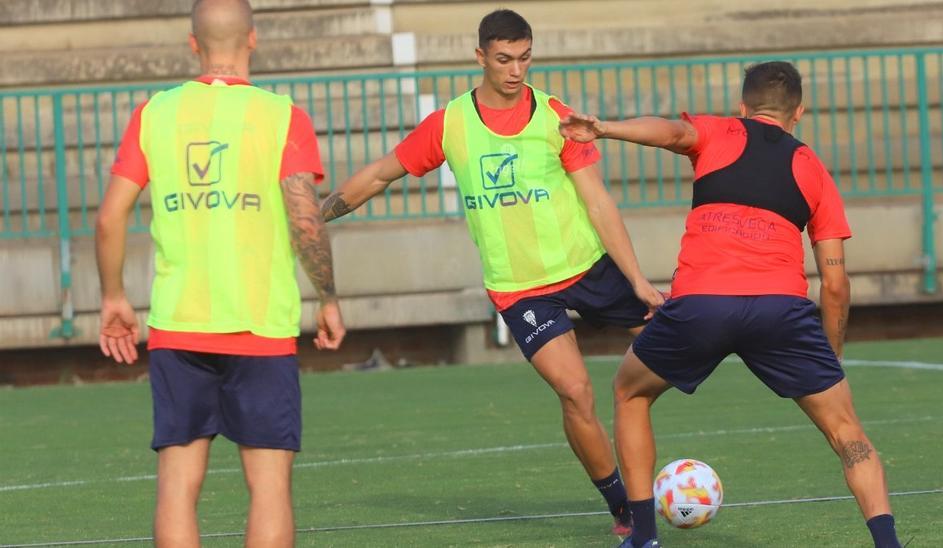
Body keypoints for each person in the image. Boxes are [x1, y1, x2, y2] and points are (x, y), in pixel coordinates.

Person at [320, 8, 663, 536]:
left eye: (524, 58)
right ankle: (622, 503)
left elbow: (598, 203)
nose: (516, 70)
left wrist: (637, 279)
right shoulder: (450, 124)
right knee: (576, 393)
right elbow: (382, 174)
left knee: (683, 348)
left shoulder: (557, 117)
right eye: (504, 59)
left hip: (588, 267)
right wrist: (316, 214)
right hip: (521, 289)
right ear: (480, 56)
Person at [560, 61, 903, 548]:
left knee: (630, 394)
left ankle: (643, 538)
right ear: (798, 113)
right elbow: (835, 283)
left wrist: (606, 129)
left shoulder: (718, 132)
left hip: (703, 303)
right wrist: (832, 354)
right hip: (780, 311)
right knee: (848, 433)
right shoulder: (813, 169)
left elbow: (672, 133)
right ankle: (887, 543)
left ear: (742, 107)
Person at [95, 0, 346, 545]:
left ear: (193, 45)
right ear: (253, 39)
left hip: (179, 325)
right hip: (260, 327)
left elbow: (110, 215)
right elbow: (305, 217)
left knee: (178, 486)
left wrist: (114, 296)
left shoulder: (154, 113)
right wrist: (327, 297)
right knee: (270, 487)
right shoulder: (283, 116)